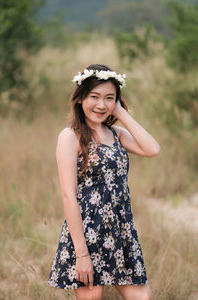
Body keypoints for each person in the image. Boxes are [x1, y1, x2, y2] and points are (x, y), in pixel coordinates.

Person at [47, 64, 160, 300]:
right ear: (80, 98)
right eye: (94, 97)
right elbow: (68, 195)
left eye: (109, 98)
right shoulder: (71, 136)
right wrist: (81, 254)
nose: (101, 105)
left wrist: (120, 113)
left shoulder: (116, 134)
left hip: (121, 230)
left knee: (142, 297)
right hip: (87, 233)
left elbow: (152, 149)